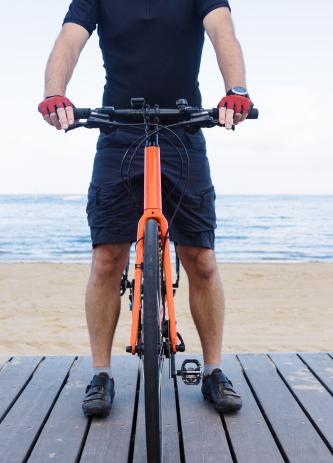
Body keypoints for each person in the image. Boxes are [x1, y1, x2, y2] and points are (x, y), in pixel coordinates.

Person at [38, 0, 252, 417]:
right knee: (106, 260)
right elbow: (69, 40)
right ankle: (101, 373)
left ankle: (213, 371)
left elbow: (223, 31)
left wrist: (236, 90)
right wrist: (54, 93)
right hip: (118, 130)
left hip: (184, 128)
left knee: (201, 260)